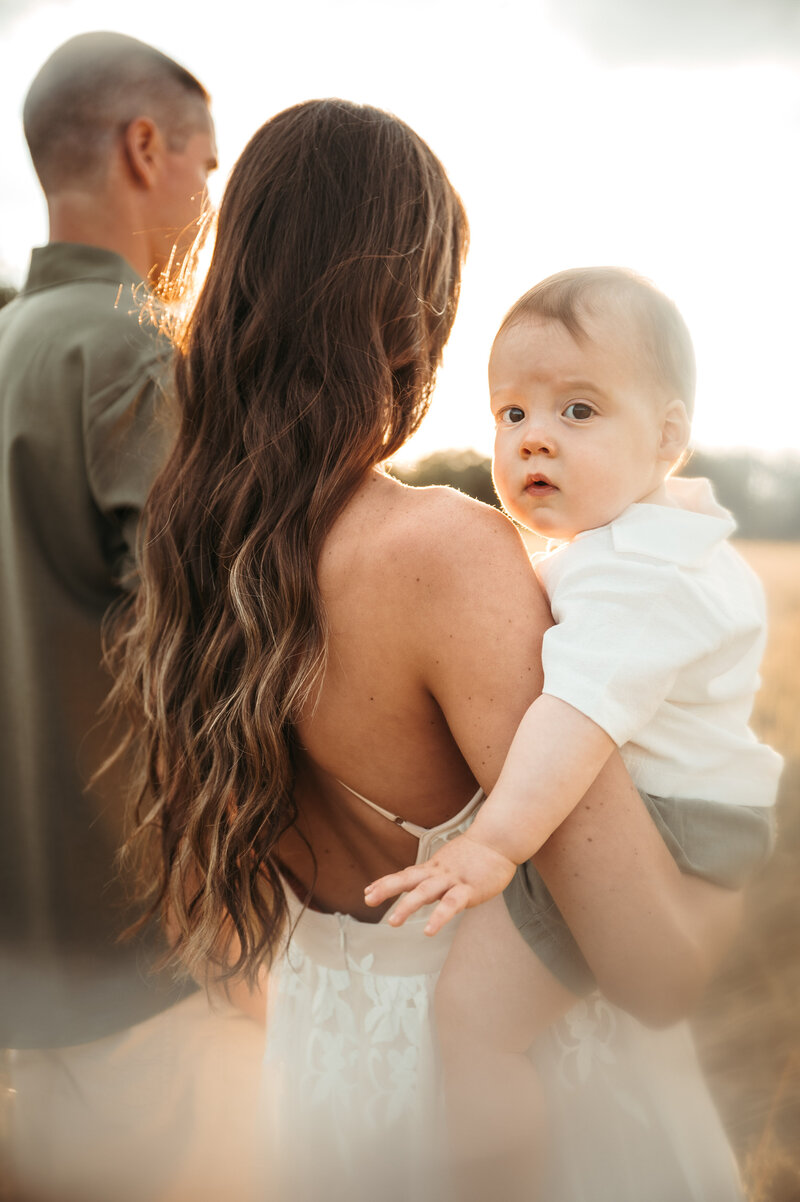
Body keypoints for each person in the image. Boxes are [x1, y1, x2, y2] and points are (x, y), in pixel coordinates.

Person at [110, 101, 746, 1202]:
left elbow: (223, 932)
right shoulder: (445, 554)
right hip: (527, 1117)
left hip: (328, 1086)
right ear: (413, 313)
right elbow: (651, 966)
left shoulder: (187, 548)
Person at [366, 266, 781, 1196]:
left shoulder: (635, 573)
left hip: (669, 822)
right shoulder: (658, 539)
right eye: (511, 414)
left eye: (579, 411)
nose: (535, 438)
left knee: (473, 1019)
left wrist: (497, 847)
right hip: (708, 812)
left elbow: (576, 712)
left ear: (667, 436)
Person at [0, 32, 262, 1202]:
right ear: (144, 148)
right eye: (207, 167)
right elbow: (208, 663)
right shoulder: (135, 359)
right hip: (143, 965)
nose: (209, 199)